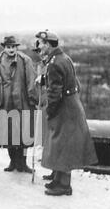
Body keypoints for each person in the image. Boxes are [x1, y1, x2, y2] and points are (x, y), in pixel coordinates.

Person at [35, 30, 98, 196]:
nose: (39, 47)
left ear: (48, 44)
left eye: (41, 44)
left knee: (63, 145)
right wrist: (43, 79)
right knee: (59, 144)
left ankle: (64, 186)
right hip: (71, 104)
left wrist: (50, 110)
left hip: (64, 108)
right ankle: (57, 178)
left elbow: (55, 92)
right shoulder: (63, 58)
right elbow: (72, 81)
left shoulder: (55, 62)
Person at [0, 36, 37, 173]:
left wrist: (33, 99)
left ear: (17, 47)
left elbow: (31, 81)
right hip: (5, 102)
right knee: (9, 134)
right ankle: (13, 162)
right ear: (4, 48)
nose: (11, 50)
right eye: (8, 47)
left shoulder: (25, 60)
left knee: (24, 134)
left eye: (13, 47)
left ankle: (23, 163)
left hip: (22, 102)